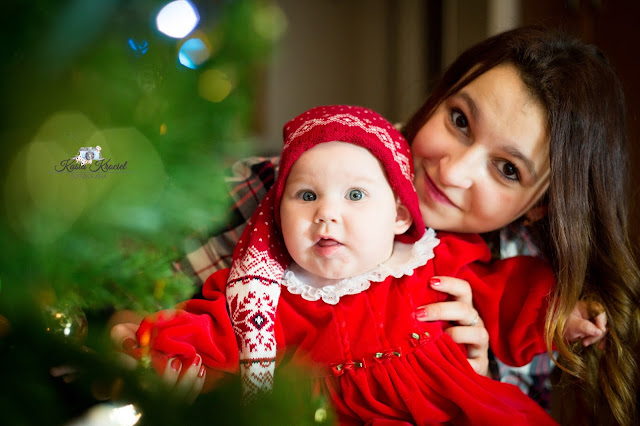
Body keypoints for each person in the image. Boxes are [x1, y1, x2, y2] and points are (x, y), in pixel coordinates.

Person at [111, 26, 640, 424]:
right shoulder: (293, 186)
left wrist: (480, 374)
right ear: (440, 95)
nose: (452, 171)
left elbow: (524, 312)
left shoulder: (502, 264)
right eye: (459, 120)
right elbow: (108, 265)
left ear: (539, 207)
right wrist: (141, 334)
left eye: (506, 169)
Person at [127, 104, 569, 424]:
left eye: (355, 196)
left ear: (399, 215)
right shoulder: (266, 295)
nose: (326, 213)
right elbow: (205, 333)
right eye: (306, 196)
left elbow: (509, 293)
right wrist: (156, 353)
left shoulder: (431, 259)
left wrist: (566, 313)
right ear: (277, 213)